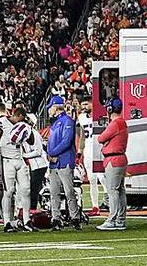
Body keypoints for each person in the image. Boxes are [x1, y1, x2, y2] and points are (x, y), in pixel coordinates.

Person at [45, 96, 81, 230]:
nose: (49, 109)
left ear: (56, 106)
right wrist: (50, 154)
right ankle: (56, 218)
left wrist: (52, 153)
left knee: (69, 191)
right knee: (54, 192)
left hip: (64, 160)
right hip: (55, 162)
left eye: (51, 107)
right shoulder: (58, 122)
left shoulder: (67, 121)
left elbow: (66, 141)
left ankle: (75, 217)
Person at [0, 106, 34, 232]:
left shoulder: (23, 125)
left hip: (19, 159)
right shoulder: (2, 122)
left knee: (25, 190)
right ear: (18, 116)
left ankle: (26, 220)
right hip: (7, 160)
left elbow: (31, 141)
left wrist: (28, 128)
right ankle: (7, 222)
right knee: (8, 192)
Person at [97, 97, 128, 231]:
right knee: (120, 190)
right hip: (120, 159)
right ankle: (120, 219)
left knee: (113, 191)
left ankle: (112, 219)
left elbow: (101, 138)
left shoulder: (115, 124)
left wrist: (106, 144)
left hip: (113, 160)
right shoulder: (122, 123)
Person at [77, 101, 102, 216]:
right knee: (91, 179)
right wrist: (79, 152)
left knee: (103, 178)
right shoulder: (82, 117)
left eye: (86, 104)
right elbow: (82, 136)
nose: (84, 106)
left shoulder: (100, 116)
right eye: (83, 104)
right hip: (88, 149)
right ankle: (95, 206)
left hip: (100, 148)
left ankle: (112, 204)